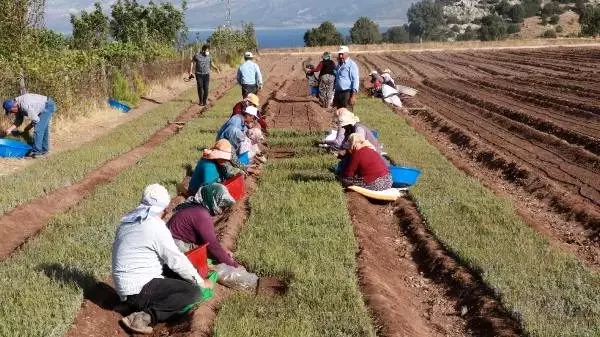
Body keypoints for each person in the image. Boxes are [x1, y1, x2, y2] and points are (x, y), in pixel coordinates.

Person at [112, 184, 214, 335]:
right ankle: (143, 317)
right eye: (166, 209)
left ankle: (132, 304)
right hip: (138, 290)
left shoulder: (129, 219)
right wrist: (200, 282)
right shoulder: (155, 226)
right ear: (163, 209)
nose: (167, 212)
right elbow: (176, 260)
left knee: (179, 275)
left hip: (127, 288)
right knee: (193, 292)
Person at [168, 184, 239, 267]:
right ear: (212, 200)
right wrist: (232, 264)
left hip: (170, 240)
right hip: (175, 245)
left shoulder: (195, 207)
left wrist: (223, 251)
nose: (222, 209)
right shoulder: (202, 215)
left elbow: (207, 240)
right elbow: (212, 245)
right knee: (205, 265)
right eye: (221, 204)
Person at [2, 93, 56, 158]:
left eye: (11, 111)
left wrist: (28, 127)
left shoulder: (24, 105)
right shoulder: (16, 105)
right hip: (44, 106)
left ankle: (37, 152)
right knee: (43, 129)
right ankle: (44, 151)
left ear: (14, 106)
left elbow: (36, 120)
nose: (11, 113)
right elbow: (19, 121)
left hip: (47, 106)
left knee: (38, 129)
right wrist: (9, 130)